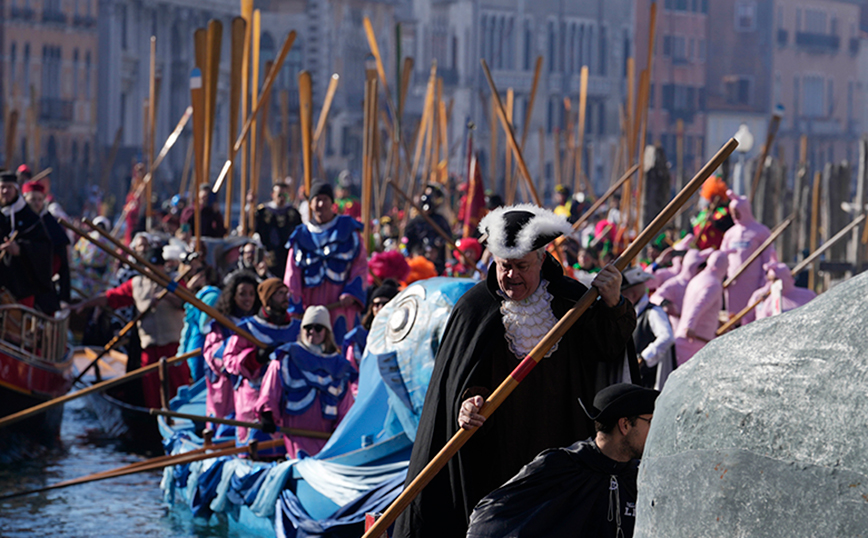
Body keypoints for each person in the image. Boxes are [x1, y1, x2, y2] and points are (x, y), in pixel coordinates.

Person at [394, 205, 636, 538]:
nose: (511, 276)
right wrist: (467, 403)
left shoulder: (573, 301)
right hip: (496, 451)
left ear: (541, 259)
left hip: (561, 442)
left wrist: (613, 304)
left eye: (522, 266)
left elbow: (607, 351)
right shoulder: (473, 308)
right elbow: (458, 380)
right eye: (504, 266)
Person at [466, 384, 659, 538]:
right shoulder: (561, 466)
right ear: (624, 425)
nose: (657, 432)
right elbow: (488, 516)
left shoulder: (640, 475)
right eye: (650, 421)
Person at [74, 247, 190, 408]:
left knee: (179, 388)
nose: (156, 270)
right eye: (151, 266)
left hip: (174, 348)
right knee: (152, 391)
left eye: (159, 266)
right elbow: (111, 297)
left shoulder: (173, 283)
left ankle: (181, 417)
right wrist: (85, 304)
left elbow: (185, 303)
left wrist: (166, 297)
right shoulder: (137, 284)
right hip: (149, 348)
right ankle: (153, 420)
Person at [256, 305, 357, 458]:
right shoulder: (287, 357)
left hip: (327, 440)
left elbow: (346, 405)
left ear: (327, 332)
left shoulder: (338, 366)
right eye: (308, 327)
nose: (312, 332)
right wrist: (267, 414)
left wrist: (341, 433)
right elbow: (271, 387)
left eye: (318, 328)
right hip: (296, 437)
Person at [284, 180, 367, 346]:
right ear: (311, 203)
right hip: (311, 304)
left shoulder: (348, 230)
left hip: (340, 304)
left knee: (343, 347)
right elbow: (292, 273)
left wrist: (351, 292)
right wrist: (295, 306)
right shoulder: (301, 235)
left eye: (325, 199)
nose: (321, 204)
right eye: (317, 200)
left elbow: (361, 265)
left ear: (332, 202)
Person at [223, 278, 299, 449]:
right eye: (280, 294)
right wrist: (255, 358)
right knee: (256, 446)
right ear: (268, 299)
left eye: (286, 293)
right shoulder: (247, 329)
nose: (285, 297)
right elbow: (229, 361)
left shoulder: (298, 329)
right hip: (253, 399)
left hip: (288, 400)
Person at [202, 271, 261, 430]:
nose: (247, 298)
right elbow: (212, 353)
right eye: (242, 294)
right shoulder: (220, 324)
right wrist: (236, 354)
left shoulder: (258, 323)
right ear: (233, 296)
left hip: (251, 386)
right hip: (227, 389)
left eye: (251, 294)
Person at [0, 172, 53, 309]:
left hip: (21, 287)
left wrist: (20, 249)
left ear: (16, 189)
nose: (5, 191)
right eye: (2, 187)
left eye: (9, 187)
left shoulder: (31, 218)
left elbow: (44, 249)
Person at [720, 190, 776, 316]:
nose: (735, 215)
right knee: (733, 317)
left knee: (752, 314)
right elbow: (722, 257)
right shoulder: (730, 234)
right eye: (732, 212)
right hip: (733, 283)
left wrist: (764, 281)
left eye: (737, 211)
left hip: (753, 282)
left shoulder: (761, 231)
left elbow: (768, 258)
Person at [620, 267, 675, 390]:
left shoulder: (654, 312)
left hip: (650, 380)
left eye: (623, 293)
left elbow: (667, 337)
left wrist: (644, 357)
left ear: (633, 294)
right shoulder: (631, 314)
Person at [22, 179, 70, 313]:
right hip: (19, 284)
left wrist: (64, 297)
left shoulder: (50, 224)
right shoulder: (17, 219)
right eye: (32, 200)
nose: (36, 203)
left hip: (43, 285)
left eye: (39, 199)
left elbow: (62, 263)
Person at [674, 250, 728, 366]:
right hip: (695, 339)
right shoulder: (713, 284)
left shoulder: (697, 278)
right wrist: (690, 326)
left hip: (687, 337)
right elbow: (700, 304)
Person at [742, 262, 816, 325]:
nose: (772, 283)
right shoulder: (759, 296)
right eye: (770, 279)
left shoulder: (808, 296)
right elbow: (747, 321)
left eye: (775, 280)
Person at [254, 182, 302, 277]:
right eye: (279, 195)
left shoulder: (293, 212)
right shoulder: (263, 212)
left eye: (285, 195)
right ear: (273, 195)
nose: (282, 198)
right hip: (270, 256)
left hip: (288, 255)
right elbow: (254, 230)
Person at [404, 184, 451, 274]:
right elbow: (408, 237)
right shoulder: (415, 222)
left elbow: (448, 235)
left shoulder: (440, 220)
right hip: (420, 255)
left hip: (437, 257)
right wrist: (410, 250)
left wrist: (439, 242)